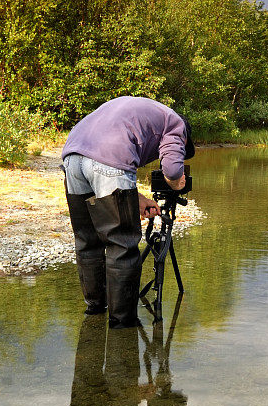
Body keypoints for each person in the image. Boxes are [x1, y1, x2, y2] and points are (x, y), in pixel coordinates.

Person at [61, 96, 194, 328]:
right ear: (185, 136)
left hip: (73, 157)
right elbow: (172, 171)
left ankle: (95, 307)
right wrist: (177, 183)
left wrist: (137, 198)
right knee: (121, 244)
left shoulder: (140, 110)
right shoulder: (175, 123)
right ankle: (122, 322)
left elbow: (103, 166)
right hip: (109, 158)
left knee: (87, 240)